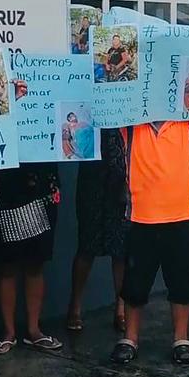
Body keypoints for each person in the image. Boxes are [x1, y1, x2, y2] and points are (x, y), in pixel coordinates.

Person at [111, 120, 189, 366]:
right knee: (135, 282)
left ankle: (181, 338)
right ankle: (130, 338)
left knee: (182, 279)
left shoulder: (188, 121)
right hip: (141, 215)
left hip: (181, 213)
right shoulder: (130, 123)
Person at [0, 162, 64, 356]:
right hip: (5, 183)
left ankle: (34, 330)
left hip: (41, 182)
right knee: (7, 264)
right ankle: (9, 332)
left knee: (36, 262)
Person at [66, 128, 129, 334]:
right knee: (87, 242)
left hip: (123, 163)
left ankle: (120, 309)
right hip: (92, 163)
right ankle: (74, 307)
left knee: (121, 245)